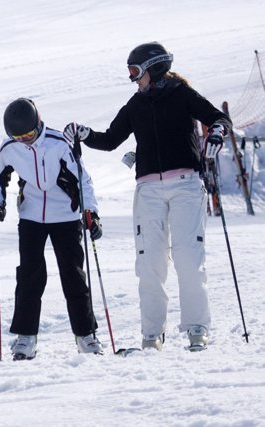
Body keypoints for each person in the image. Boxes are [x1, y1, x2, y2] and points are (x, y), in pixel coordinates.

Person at [63, 41, 231, 351]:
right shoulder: (135, 105)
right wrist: (86, 134)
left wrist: (217, 134)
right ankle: (152, 334)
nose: (132, 78)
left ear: (153, 69)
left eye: (135, 71)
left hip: (185, 185)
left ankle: (197, 327)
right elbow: (111, 139)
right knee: (149, 262)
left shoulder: (182, 95)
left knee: (187, 257)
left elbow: (218, 119)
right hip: (149, 190)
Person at [0, 98, 104, 360]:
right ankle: (26, 338)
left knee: (73, 275)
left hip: (65, 215)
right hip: (31, 217)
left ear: (38, 124)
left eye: (28, 134)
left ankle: (86, 336)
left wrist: (91, 213)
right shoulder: (9, 147)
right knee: (29, 276)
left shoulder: (58, 142)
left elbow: (83, 179)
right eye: (19, 136)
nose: (25, 140)